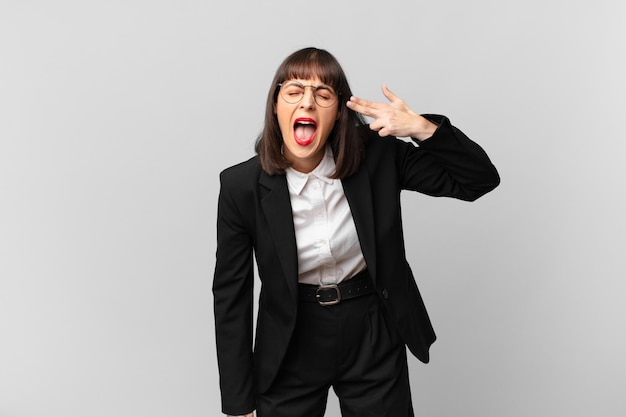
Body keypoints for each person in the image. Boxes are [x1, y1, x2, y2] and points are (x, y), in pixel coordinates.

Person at [213, 47, 500, 417]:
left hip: (371, 328)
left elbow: (479, 180)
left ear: (339, 113)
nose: (308, 103)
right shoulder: (241, 186)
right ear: (275, 106)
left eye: (323, 94)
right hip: (290, 338)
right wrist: (238, 404)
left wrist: (420, 128)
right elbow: (231, 297)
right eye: (294, 91)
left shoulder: (378, 156)